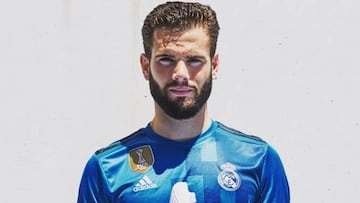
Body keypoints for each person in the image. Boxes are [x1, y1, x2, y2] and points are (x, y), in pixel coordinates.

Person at [77, 1, 290, 202]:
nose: (180, 74)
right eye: (166, 59)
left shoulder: (258, 160)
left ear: (214, 66)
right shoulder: (108, 168)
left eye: (194, 60)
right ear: (145, 66)